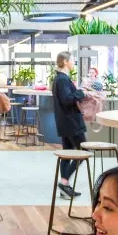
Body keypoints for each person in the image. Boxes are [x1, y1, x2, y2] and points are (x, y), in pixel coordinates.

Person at [52, 51, 86, 198]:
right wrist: (82, 93)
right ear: (65, 61)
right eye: (72, 60)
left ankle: (65, 187)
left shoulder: (59, 79)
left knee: (67, 153)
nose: (73, 63)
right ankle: (64, 182)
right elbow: (67, 99)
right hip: (71, 122)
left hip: (64, 122)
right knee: (83, 152)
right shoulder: (62, 80)